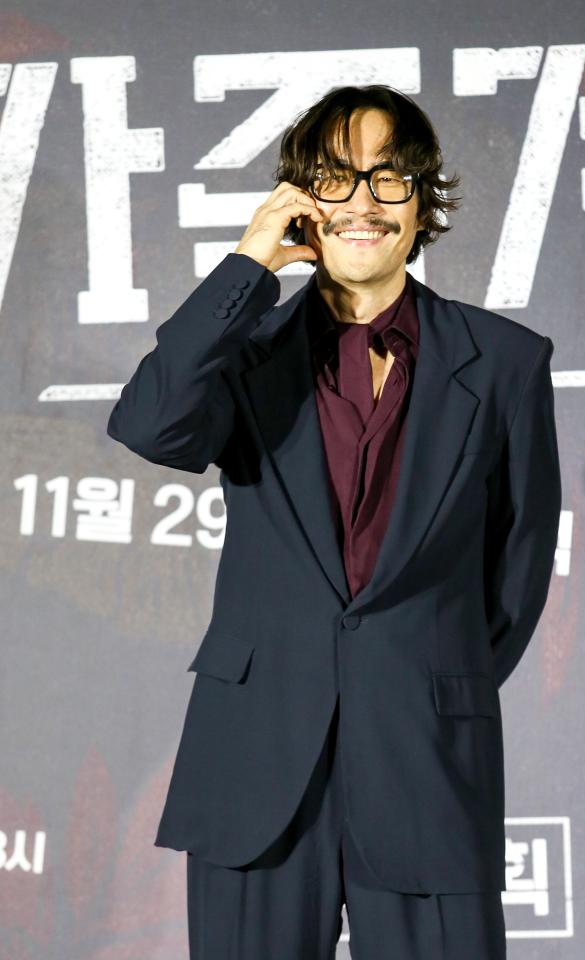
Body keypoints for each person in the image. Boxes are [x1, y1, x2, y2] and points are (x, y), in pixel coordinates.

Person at [107, 84, 562, 959]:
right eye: (335, 179)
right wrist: (247, 269)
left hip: (427, 760)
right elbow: (148, 424)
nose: (362, 204)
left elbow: (517, 569)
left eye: (388, 180)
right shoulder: (241, 354)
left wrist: (425, 676)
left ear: (422, 200)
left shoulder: (505, 362)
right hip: (256, 768)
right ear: (300, 204)